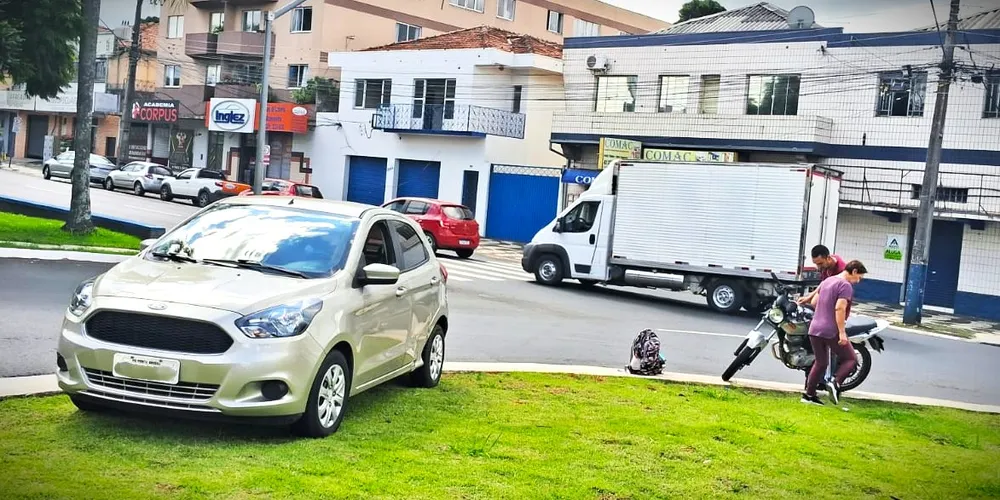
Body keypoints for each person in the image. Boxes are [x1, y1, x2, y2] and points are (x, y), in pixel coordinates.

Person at [801, 259, 868, 406]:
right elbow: (840, 308)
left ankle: (808, 395)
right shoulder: (845, 286)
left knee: (821, 362)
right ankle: (835, 382)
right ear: (854, 271)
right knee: (851, 359)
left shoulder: (828, 280)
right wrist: (842, 332)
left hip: (815, 328)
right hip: (830, 330)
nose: (858, 281)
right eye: (859, 278)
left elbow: (814, 300)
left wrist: (809, 300)